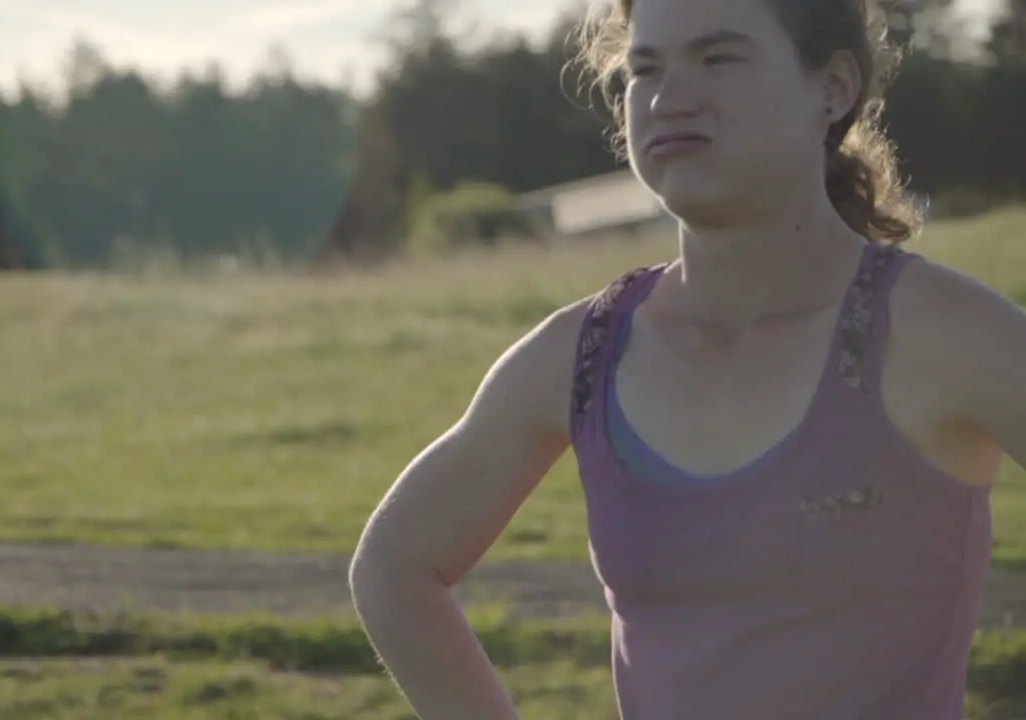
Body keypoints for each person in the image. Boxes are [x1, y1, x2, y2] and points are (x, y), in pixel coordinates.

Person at [346, 0, 1026, 717]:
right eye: (645, 69)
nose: (671, 98)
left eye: (718, 58)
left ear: (832, 87)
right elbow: (395, 568)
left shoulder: (943, 333)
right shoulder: (583, 357)